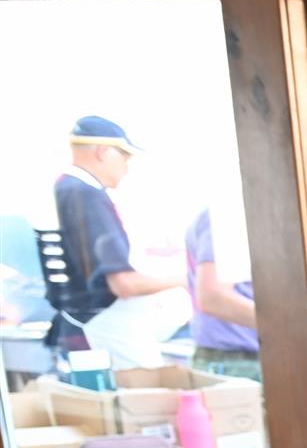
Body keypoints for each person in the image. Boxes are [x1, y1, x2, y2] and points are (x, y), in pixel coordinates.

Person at [52, 116, 190, 369]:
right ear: (104, 152)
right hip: (106, 326)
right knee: (147, 402)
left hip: (83, 322)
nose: (127, 167)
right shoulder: (86, 194)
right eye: (125, 157)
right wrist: (186, 279)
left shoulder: (65, 187)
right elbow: (123, 284)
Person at [185, 199, 261, 380]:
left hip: (244, 360)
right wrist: (286, 326)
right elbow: (213, 296)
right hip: (236, 363)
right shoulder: (230, 214)